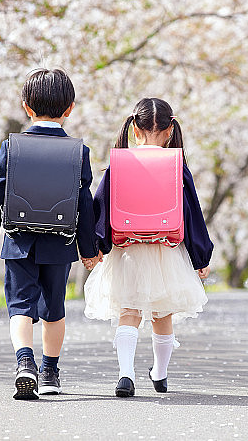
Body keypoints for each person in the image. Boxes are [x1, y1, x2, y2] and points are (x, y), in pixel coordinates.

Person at [0, 68, 100, 400]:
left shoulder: (12, 147)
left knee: (20, 306)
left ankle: (24, 362)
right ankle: (49, 373)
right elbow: (84, 204)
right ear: (69, 108)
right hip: (61, 243)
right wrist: (89, 249)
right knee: (54, 310)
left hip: (19, 241)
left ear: (26, 107)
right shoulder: (78, 152)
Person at [84, 97, 212, 397]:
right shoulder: (176, 165)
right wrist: (201, 256)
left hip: (128, 249)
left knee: (129, 311)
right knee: (162, 314)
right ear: (170, 130)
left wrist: (97, 245)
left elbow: (101, 206)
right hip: (166, 250)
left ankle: (125, 374)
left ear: (134, 130)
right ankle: (160, 374)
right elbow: (192, 213)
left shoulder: (120, 162)